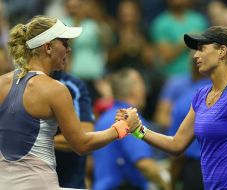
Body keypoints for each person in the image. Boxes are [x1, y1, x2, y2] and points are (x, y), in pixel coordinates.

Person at [0, 15, 139, 189]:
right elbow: (82, 145)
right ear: (48, 47)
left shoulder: (1, 83)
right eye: (64, 43)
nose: (69, 50)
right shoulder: (55, 89)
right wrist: (123, 127)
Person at [117, 26, 227, 189]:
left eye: (202, 49)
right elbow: (176, 145)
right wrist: (138, 130)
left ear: (222, 51)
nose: (196, 55)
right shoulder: (200, 96)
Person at [92, 68, 171, 190]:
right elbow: (144, 163)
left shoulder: (104, 118)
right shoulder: (130, 119)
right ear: (133, 90)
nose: (145, 89)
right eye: (142, 84)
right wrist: (166, 184)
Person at [52, 71, 95, 189]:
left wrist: (38, 141)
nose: (68, 52)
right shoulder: (15, 83)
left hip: (69, 180)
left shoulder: (72, 86)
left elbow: (85, 136)